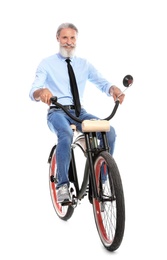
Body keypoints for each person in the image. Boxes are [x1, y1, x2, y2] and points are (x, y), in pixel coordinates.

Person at [29, 22, 125, 204]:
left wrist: (113, 89)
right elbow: (33, 90)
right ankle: (62, 185)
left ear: (76, 40)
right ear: (57, 38)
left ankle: (102, 178)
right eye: (65, 37)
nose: (69, 42)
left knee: (109, 131)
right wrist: (41, 92)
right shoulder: (47, 63)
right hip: (57, 111)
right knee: (65, 134)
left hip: (80, 112)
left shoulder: (83, 64)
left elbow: (102, 82)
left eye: (72, 38)